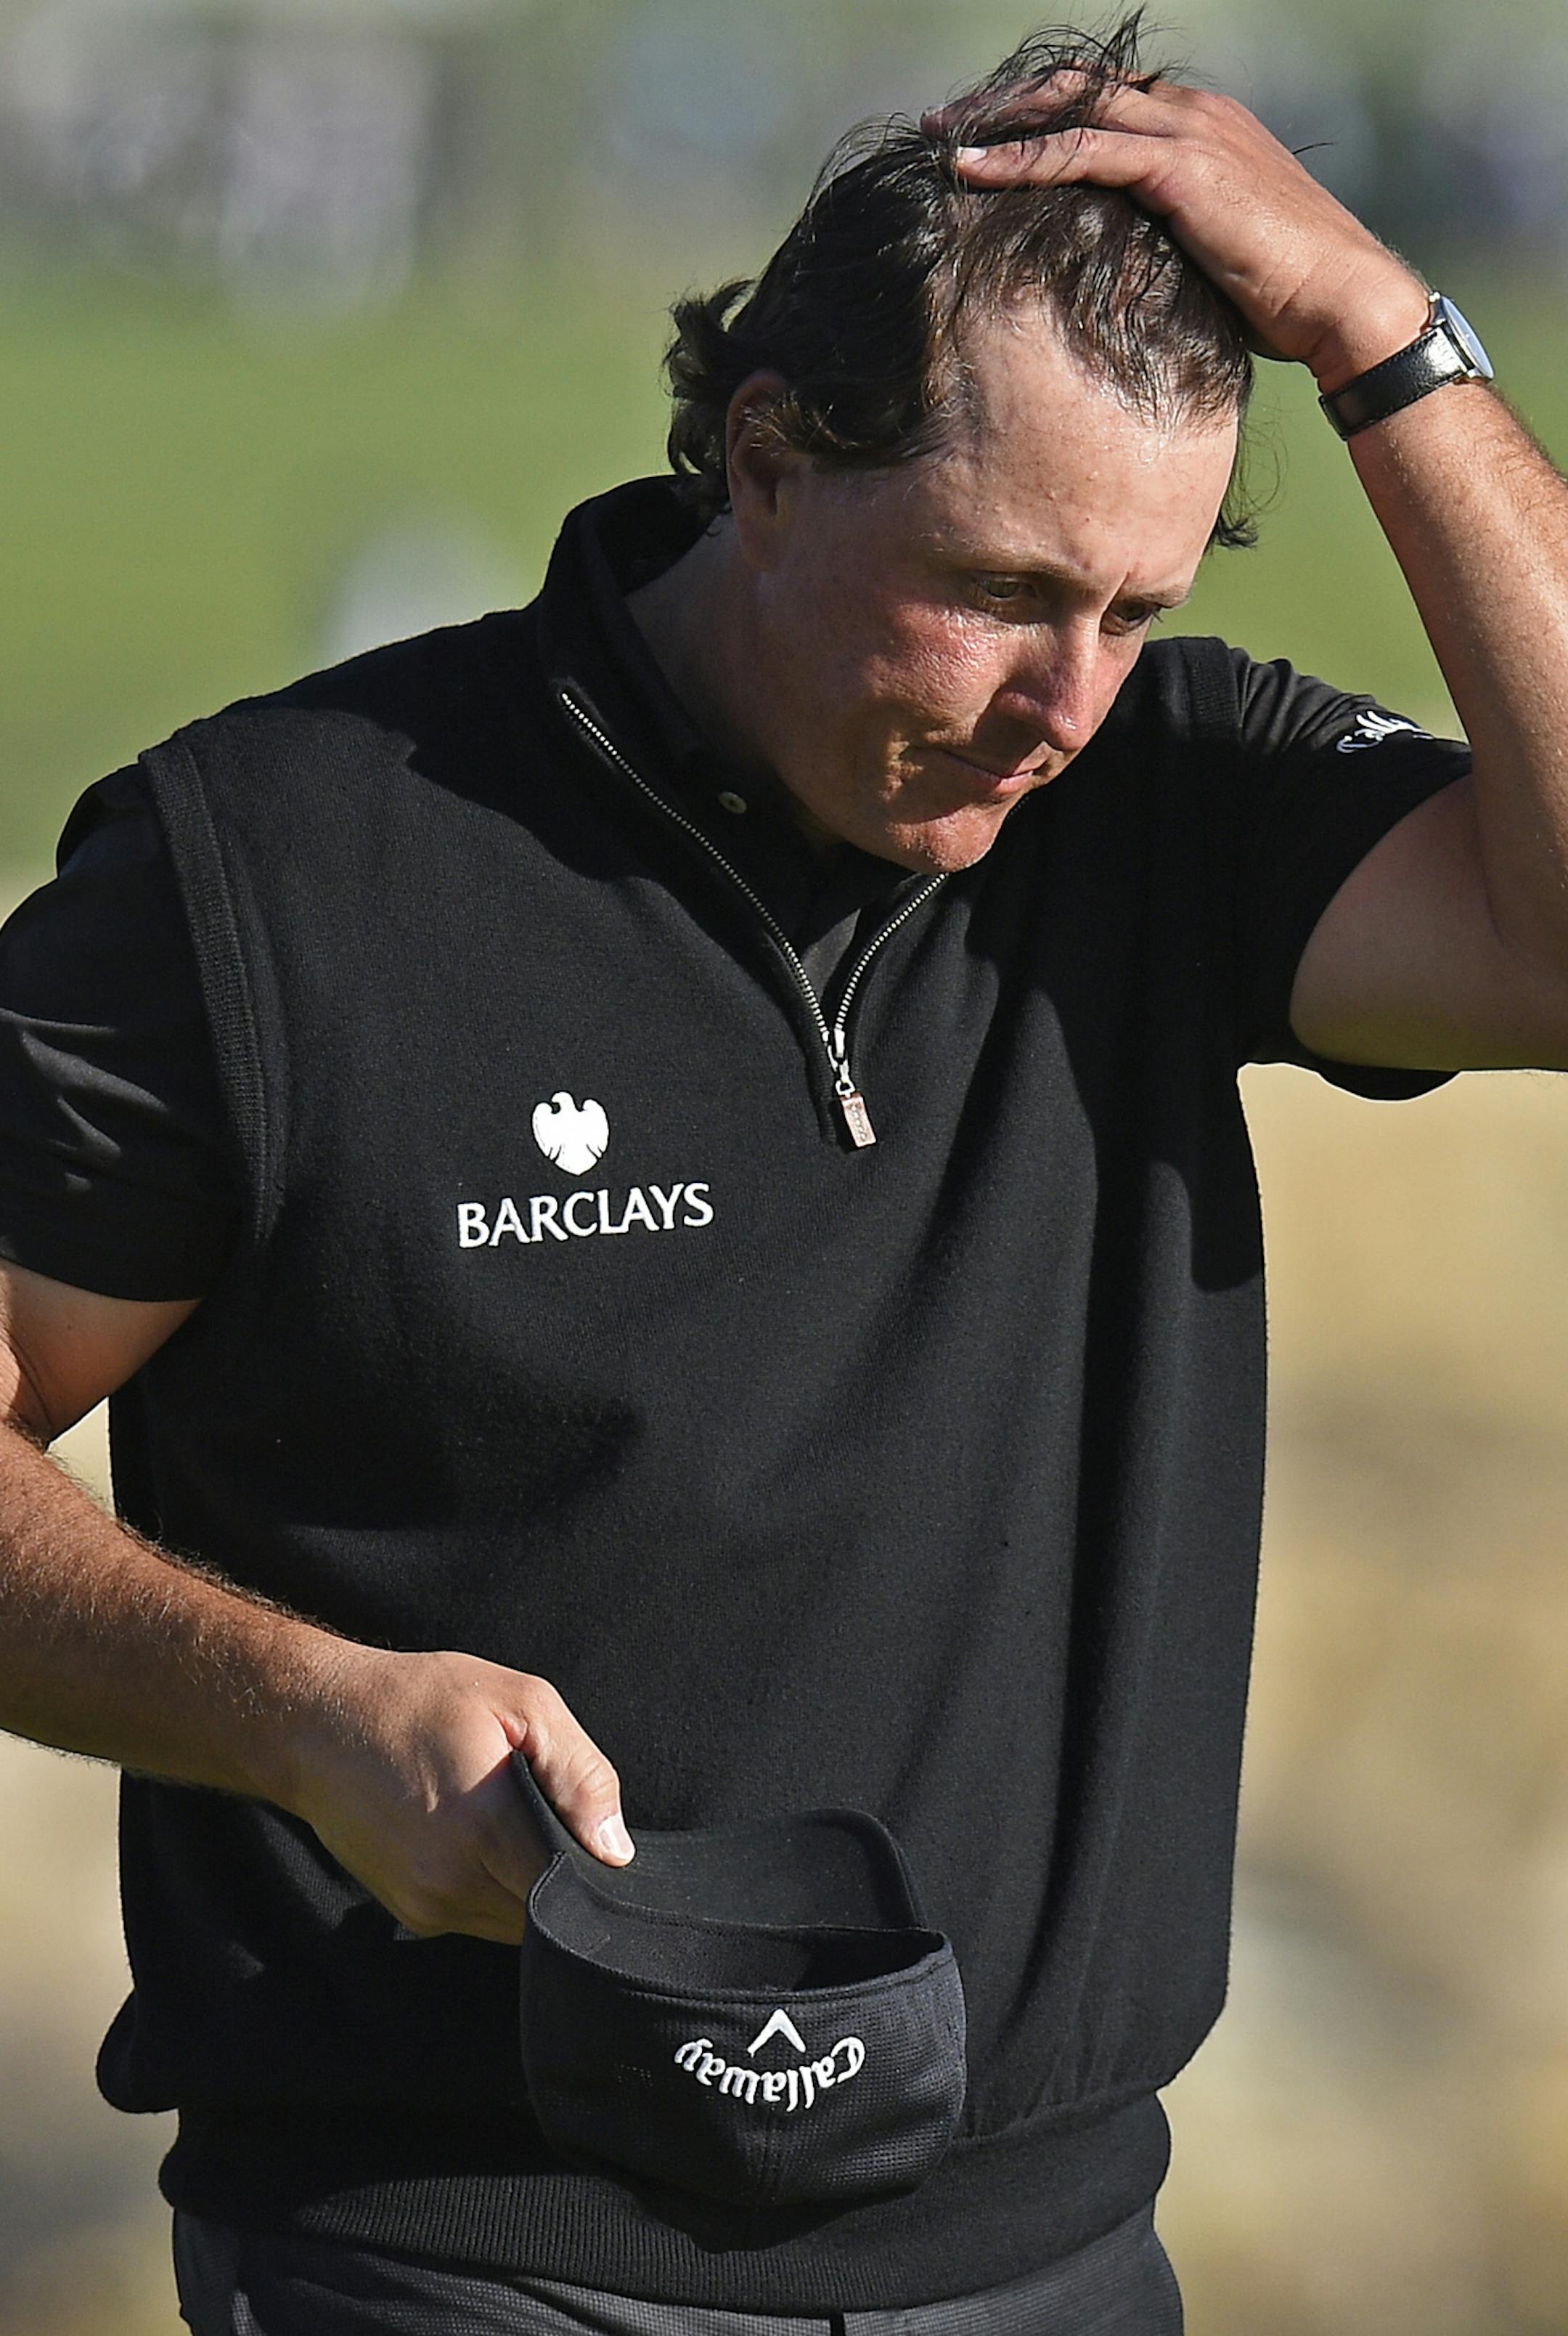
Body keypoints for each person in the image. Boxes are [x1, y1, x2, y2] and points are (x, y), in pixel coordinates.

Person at [1, 16, 1564, 2332]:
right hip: (453, 2267)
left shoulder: (1168, 812)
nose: (1068, 702)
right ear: (766, 457)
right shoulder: (274, 867)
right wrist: (302, 1711)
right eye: (1004, 587)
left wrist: (1381, 336)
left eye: (1137, 610)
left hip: (1051, 2261)